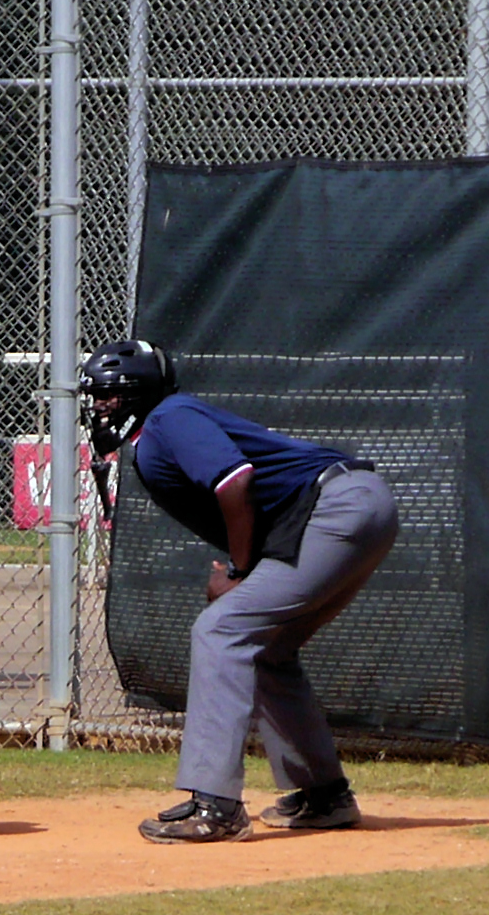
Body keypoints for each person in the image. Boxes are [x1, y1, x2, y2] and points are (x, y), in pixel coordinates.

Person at [78, 339, 400, 843]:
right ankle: (324, 795)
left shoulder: (168, 418)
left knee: (221, 629)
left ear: (142, 393)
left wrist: (240, 570)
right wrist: (241, 567)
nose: (101, 405)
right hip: (348, 508)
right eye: (97, 395)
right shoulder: (157, 429)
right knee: (269, 648)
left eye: (112, 394)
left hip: (335, 508)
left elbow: (235, 481)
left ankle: (216, 805)